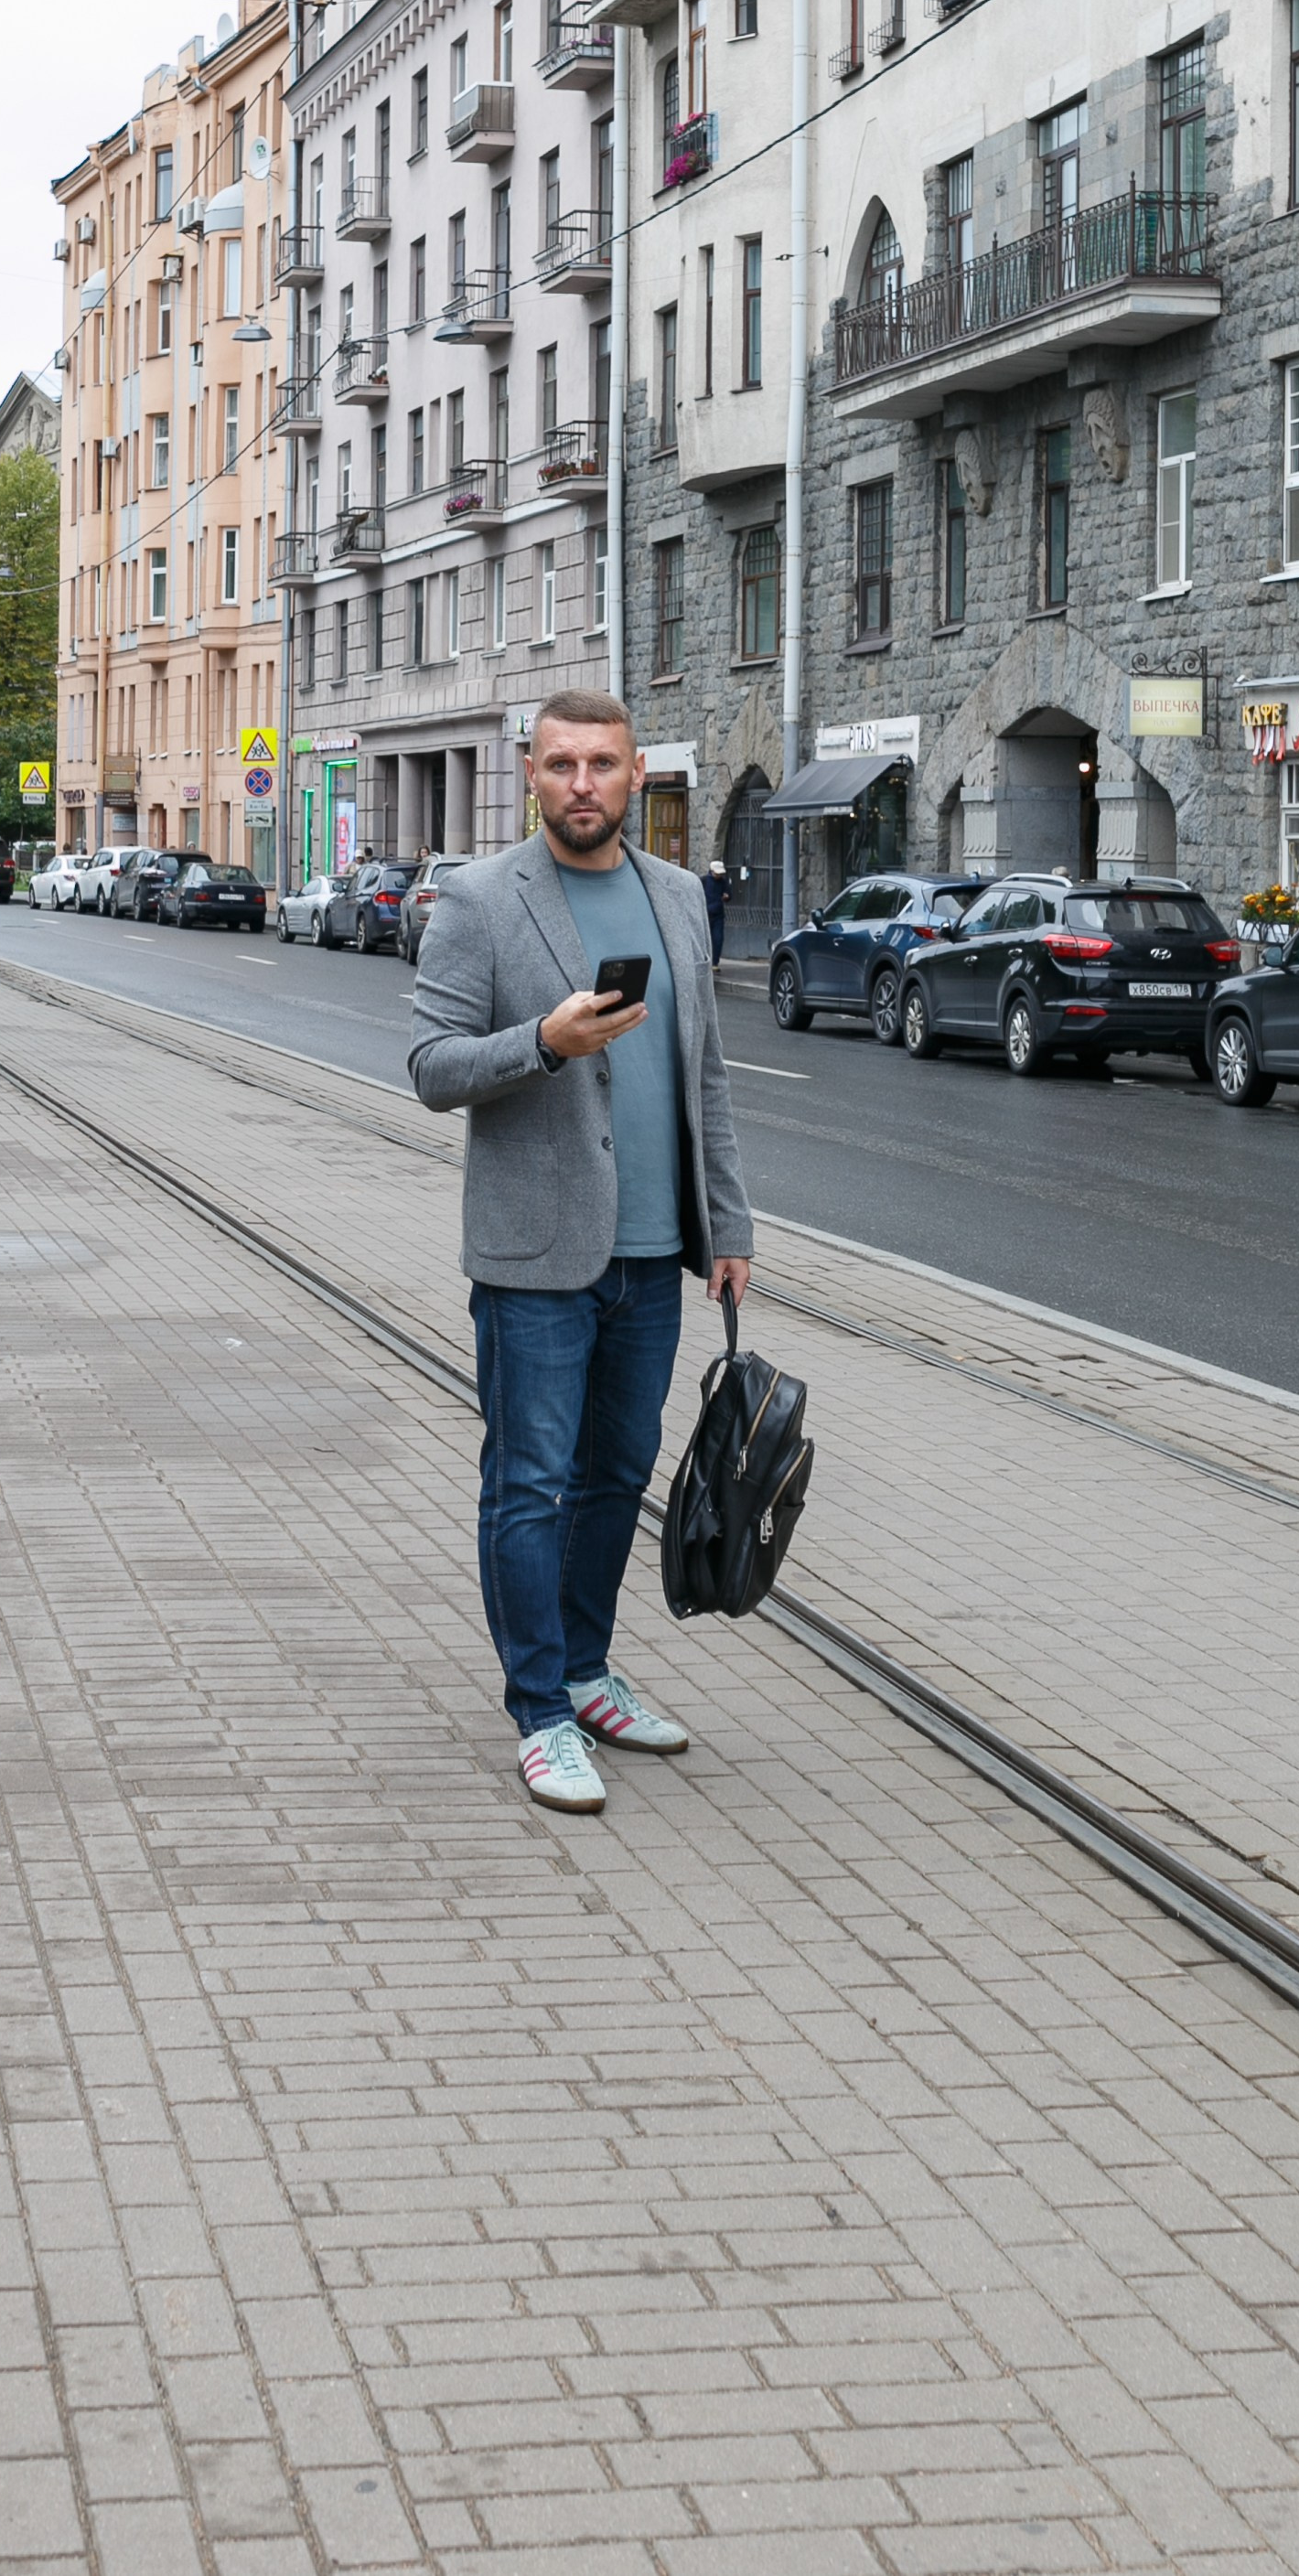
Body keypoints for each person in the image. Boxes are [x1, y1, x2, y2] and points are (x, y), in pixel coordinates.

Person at [409, 688, 754, 1817]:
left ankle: (588, 1668)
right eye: (560, 764)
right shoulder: (479, 898)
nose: (582, 783)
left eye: (602, 763)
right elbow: (431, 1067)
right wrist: (545, 1045)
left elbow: (705, 1074)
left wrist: (729, 1224)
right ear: (531, 773)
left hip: (654, 1255)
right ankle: (541, 1712)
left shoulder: (677, 898)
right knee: (527, 1485)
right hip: (534, 1256)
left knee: (614, 1479)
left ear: (635, 770)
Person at [703, 858, 731, 966]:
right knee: (706, 940)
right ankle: (707, 961)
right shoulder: (704, 881)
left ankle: (715, 962)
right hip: (706, 914)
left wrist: (727, 897)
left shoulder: (723, 882)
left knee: (718, 939)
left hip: (718, 915)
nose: (719, 876)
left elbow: (729, 894)